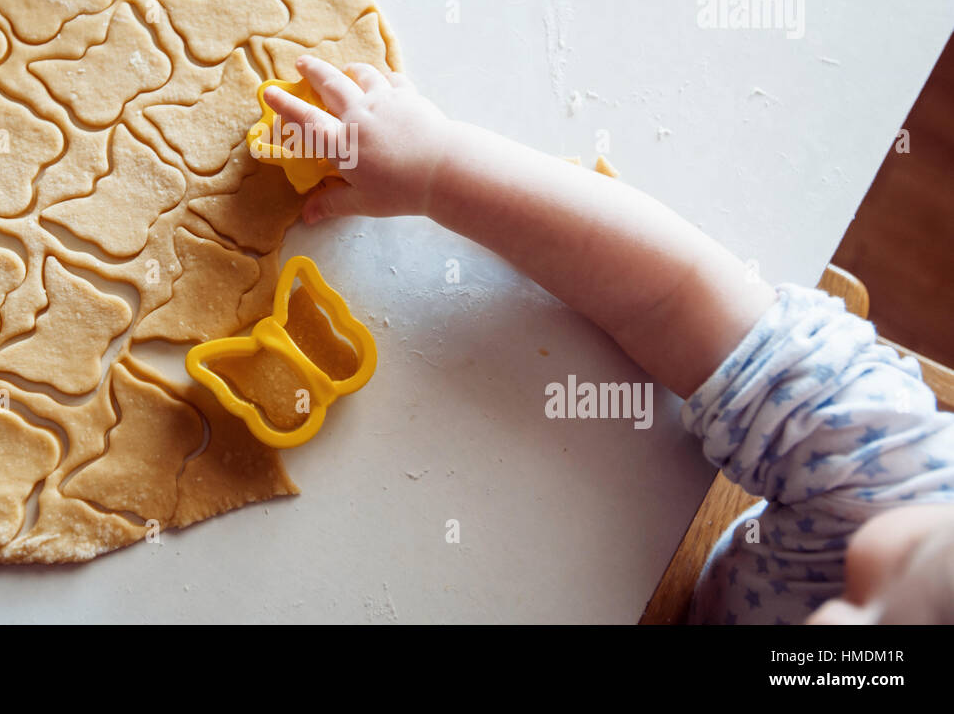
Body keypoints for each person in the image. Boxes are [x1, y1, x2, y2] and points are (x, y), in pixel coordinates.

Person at [264, 54, 954, 625]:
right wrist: (439, 170)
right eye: (887, 578)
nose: (836, 623)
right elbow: (674, 295)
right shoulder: (891, 471)